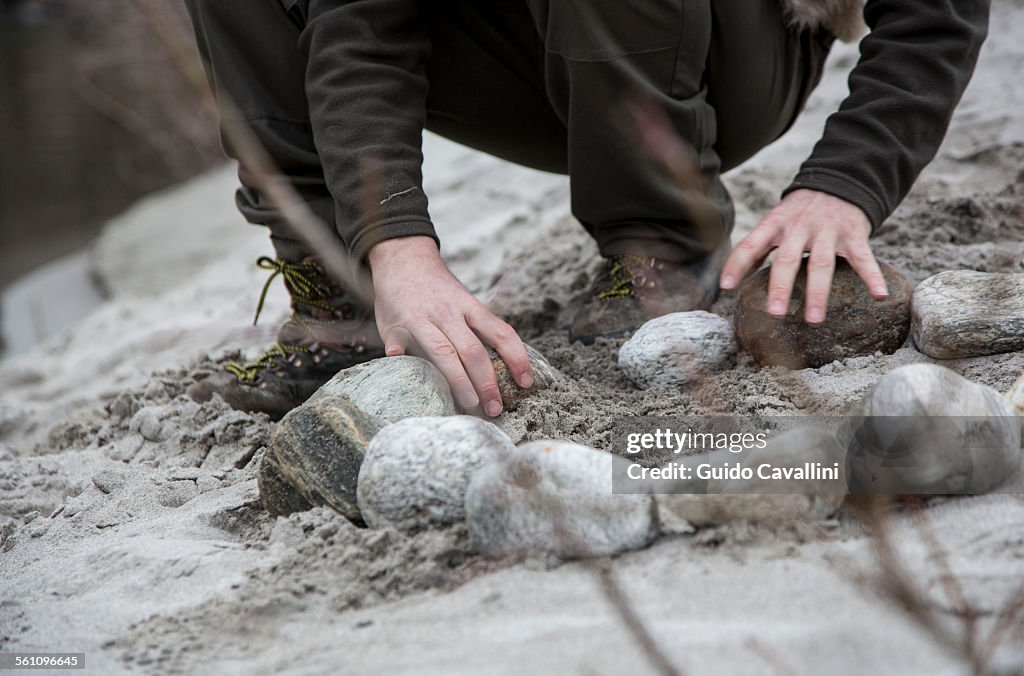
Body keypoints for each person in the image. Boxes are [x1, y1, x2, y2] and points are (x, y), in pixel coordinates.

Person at [184, 0, 989, 420]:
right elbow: (357, 24)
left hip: (725, 52)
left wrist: (845, 182)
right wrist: (391, 241)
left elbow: (937, 11)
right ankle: (337, 299)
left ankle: (660, 238)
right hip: (531, 54)